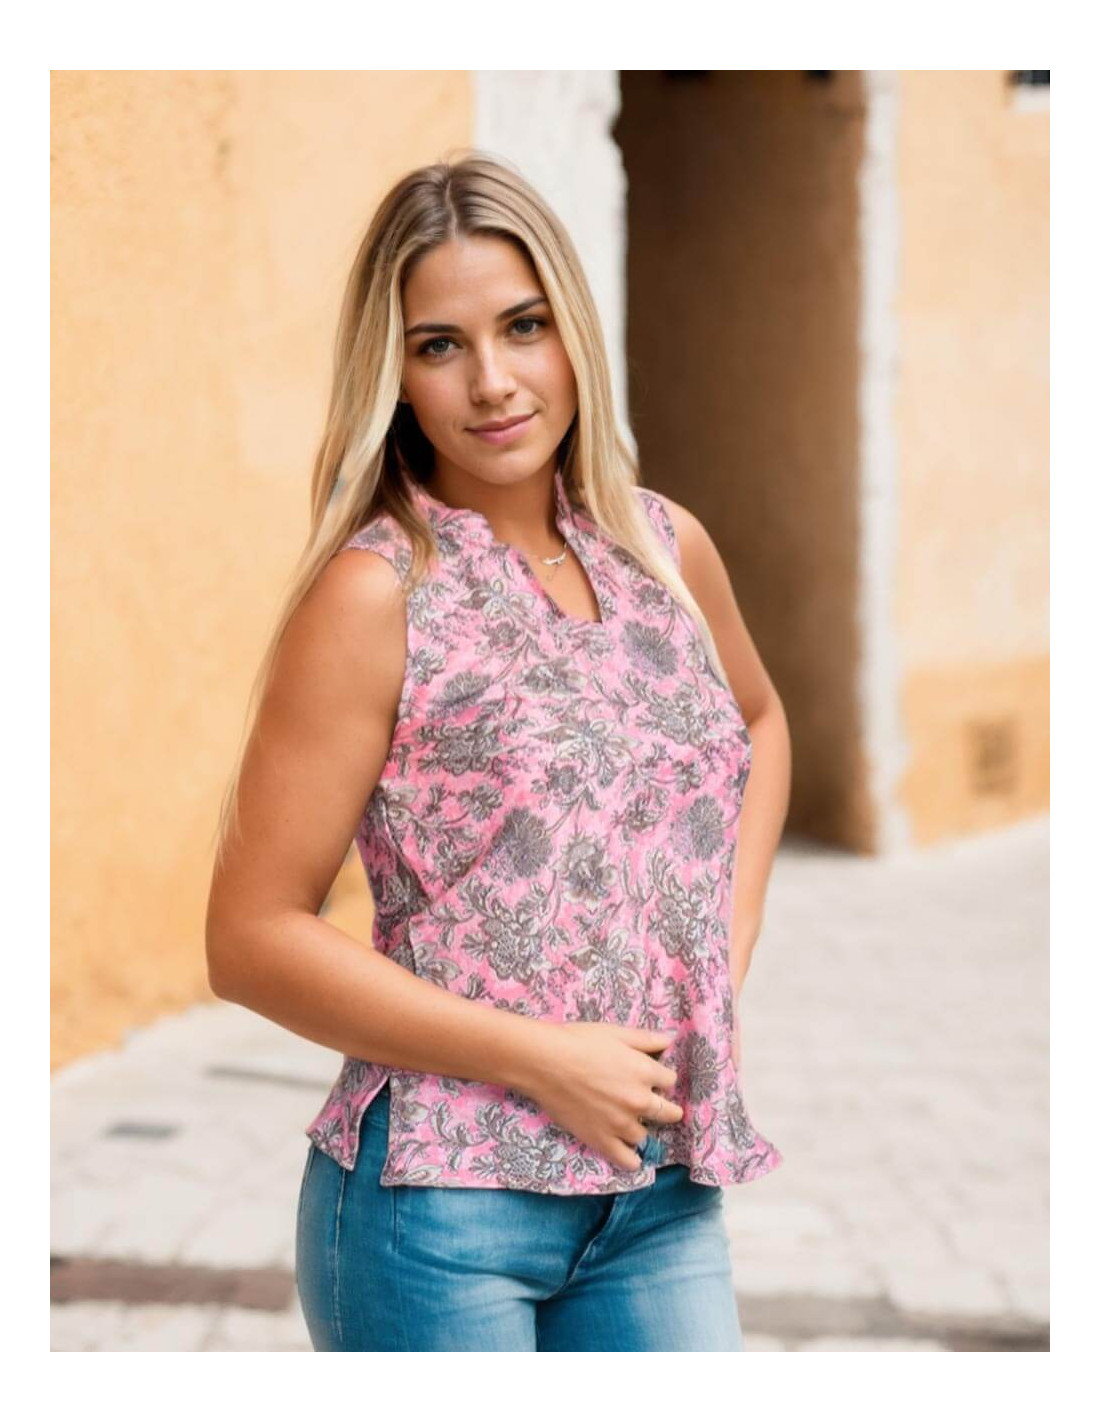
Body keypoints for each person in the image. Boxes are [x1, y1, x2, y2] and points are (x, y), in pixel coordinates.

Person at [205, 150, 790, 1352]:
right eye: (439, 345)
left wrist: (719, 954)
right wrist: (537, 1058)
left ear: (572, 329)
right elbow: (250, 936)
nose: (492, 381)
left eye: (523, 326)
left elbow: (759, 724)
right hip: (440, 1212)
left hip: (658, 1193)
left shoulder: (662, 546)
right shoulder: (376, 594)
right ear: (394, 376)